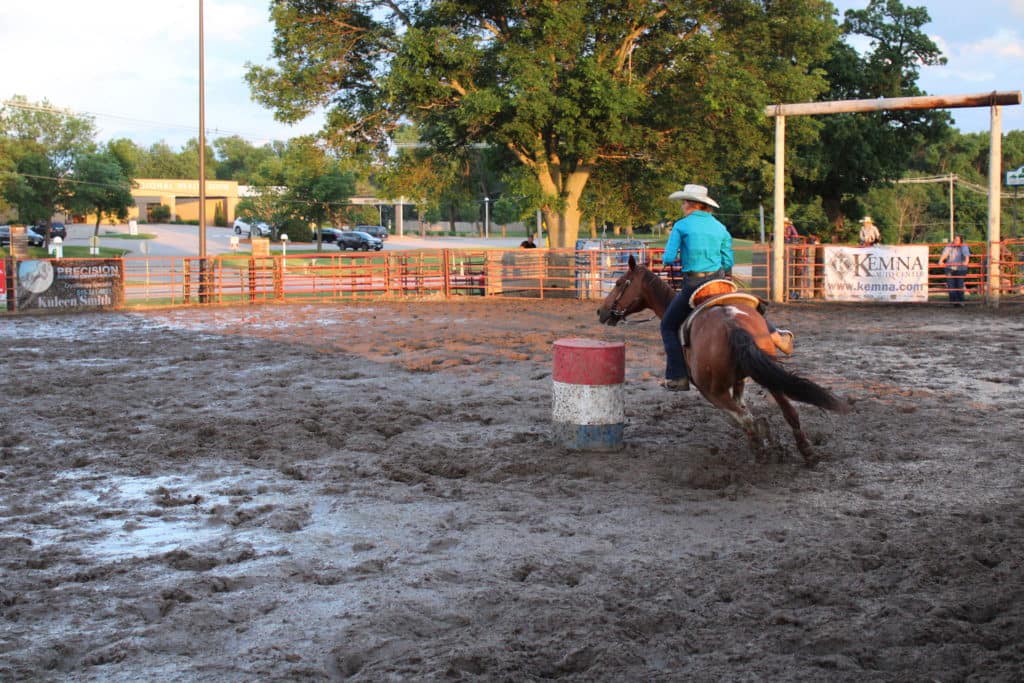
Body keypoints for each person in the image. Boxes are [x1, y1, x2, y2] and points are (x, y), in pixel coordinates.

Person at [659, 184, 793, 392]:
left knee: (667, 326)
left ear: (688, 204)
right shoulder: (720, 227)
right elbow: (728, 260)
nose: (682, 205)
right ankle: (776, 336)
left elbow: (668, 257)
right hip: (719, 281)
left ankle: (677, 376)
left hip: (694, 284)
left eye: (683, 202)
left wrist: (676, 257)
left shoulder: (681, 226)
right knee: (743, 308)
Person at [937, 234, 971, 305]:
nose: (956, 241)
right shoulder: (949, 245)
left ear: (961, 241)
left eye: (957, 240)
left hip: (961, 269)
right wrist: (941, 260)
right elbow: (945, 254)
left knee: (959, 285)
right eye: (955, 239)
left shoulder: (964, 246)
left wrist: (966, 261)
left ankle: (961, 301)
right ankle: (954, 302)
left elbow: (966, 255)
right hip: (950, 268)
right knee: (951, 285)